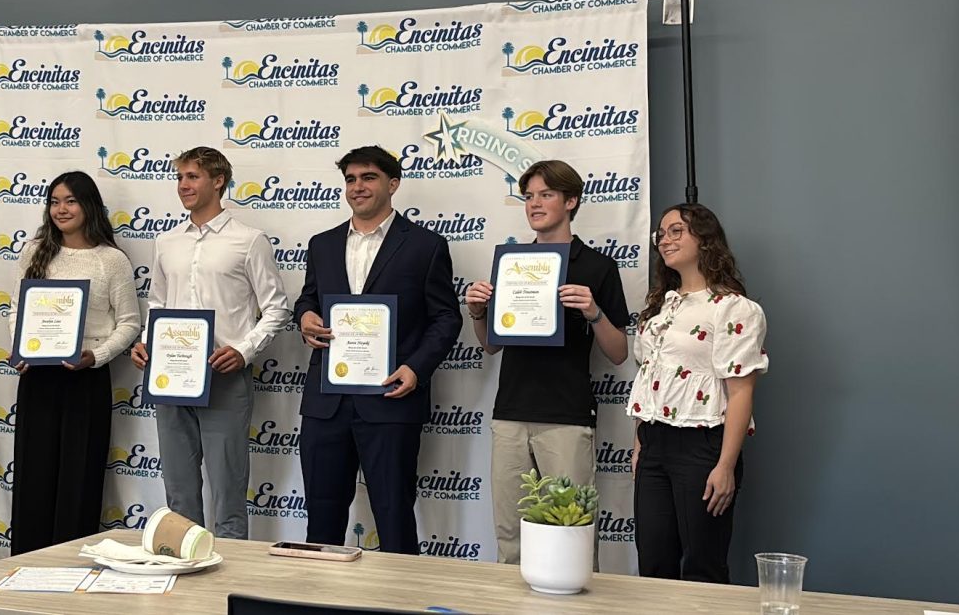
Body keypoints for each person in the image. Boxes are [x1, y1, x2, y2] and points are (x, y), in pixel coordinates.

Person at [296, 145, 462, 554]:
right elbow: (308, 299)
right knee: (321, 514)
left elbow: (446, 318)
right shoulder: (322, 244)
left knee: (393, 514)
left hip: (390, 397)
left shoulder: (426, 245)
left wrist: (416, 368)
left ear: (393, 183)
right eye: (350, 179)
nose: (357, 187)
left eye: (368, 178)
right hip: (327, 401)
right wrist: (305, 319)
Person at [464, 159, 630, 565]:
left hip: (567, 417)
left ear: (571, 201)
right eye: (529, 196)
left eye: (546, 195)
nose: (534, 204)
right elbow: (490, 346)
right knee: (510, 535)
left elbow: (619, 351)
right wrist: (477, 313)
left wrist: (594, 313)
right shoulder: (512, 263)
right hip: (510, 414)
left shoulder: (597, 267)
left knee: (570, 534)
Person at [132, 146, 290, 539]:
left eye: (192, 176)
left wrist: (243, 350)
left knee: (227, 487)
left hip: (223, 375)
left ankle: (226, 585)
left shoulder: (249, 241)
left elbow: (276, 309)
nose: (183, 185)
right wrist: (146, 341)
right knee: (179, 490)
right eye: (180, 177)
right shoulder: (167, 241)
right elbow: (157, 303)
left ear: (218, 181)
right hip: (169, 377)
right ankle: (184, 575)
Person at [628, 203, 768, 583]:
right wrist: (641, 445)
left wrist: (725, 465)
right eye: (661, 233)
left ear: (705, 239)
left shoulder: (734, 308)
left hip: (703, 447)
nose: (665, 240)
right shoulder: (660, 305)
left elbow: (740, 392)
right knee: (654, 562)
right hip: (654, 444)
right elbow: (651, 377)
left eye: (677, 231)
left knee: (702, 565)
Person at [8, 171, 140, 555]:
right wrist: (19, 348)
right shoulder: (34, 252)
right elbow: (18, 308)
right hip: (38, 377)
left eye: (70, 201)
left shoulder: (111, 260)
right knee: (35, 476)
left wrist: (95, 356)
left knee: (78, 479)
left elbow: (130, 322)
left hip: (85, 378)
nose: (61, 209)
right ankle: (26, 565)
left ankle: (71, 564)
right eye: (54, 201)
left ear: (89, 206)